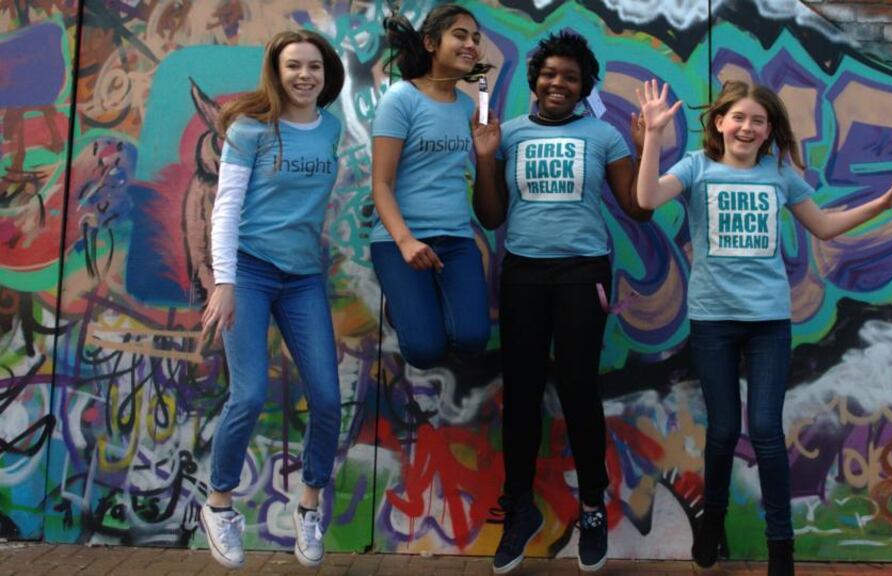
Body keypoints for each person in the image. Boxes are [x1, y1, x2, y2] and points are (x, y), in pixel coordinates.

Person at [634, 79, 892, 576]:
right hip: (713, 321)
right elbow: (646, 198)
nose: (747, 127)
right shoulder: (698, 169)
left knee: (766, 430)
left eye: (758, 120)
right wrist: (656, 136)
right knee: (723, 430)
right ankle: (713, 522)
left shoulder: (779, 175)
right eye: (739, 118)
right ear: (720, 122)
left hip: (769, 322)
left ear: (769, 131)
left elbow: (825, 225)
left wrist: (885, 203)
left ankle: (781, 548)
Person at [473, 30, 652, 574]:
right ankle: (521, 509)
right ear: (535, 80)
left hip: (582, 276)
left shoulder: (604, 137)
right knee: (522, 396)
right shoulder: (510, 135)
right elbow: (491, 216)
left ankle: (592, 507)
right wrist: (485, 157)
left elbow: (638, 209)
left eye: (570, 77)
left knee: (578, 391)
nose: (558, 83)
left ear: (583, 87)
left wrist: (645, 149)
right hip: (523, 275)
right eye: (550, 74)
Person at [198, 29, 345, 570]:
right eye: (294, 66)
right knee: (250, 393)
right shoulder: (250, 128)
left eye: (314, 67)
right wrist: (225, 281)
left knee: (327, 398)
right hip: (251, 273)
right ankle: (218, 504)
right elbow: (226, 207)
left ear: (326, 74)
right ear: (276, 72)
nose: (305, 75)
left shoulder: (330, 128)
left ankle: (308, 505)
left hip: (304, 276)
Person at [370, 4, 494, 369]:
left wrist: (485, 154)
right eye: (460, 35)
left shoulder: (465, 107)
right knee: (424, 352)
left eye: (475, 38)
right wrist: (406, 241)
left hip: (455, 240)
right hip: (401, 241)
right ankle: (408, 302)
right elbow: (381, 183)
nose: (471, 44)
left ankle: (424, 302)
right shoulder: (400, 99)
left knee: (473, 339)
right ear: (430, 43)